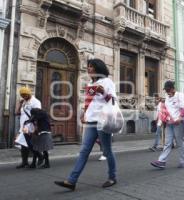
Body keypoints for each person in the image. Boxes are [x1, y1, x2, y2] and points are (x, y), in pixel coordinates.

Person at [54, 58, 117, 190]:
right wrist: (83, 114)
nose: (88, 69)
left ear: (98, 68)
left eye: (91, 66)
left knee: (107, 150)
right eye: (88, 66)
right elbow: (89, 102)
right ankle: (71, 181)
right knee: (84, 151)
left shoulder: (107, 82)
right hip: (90, 121)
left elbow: (112, 100)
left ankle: (112, 177)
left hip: (102, 121)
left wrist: (103, 92)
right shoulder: (90, 83)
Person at [150, 80, 184, 169]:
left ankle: (183, 161)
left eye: (167, 90)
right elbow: (167, 108)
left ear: (172, 89)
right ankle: (161, 161)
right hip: (169, 123)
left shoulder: (180, 95)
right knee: (167, 143)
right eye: (166, 90)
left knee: (179, 142)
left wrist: (180, 117)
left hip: (178, 123)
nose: (166, 92)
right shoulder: (167, 97)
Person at [15, 86, 41, 169]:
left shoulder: (35, 102)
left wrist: (36, 128)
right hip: (23, 126)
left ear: (29, 93)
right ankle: (24, 162)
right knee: (23, 145)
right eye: (22, 95)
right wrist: (19, 103)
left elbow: (37, 115)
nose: (24, 97)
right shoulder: (23, 102)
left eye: (25, 95)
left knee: (30, 144)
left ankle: (40, 157)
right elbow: (17, 113)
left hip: (31, 126)